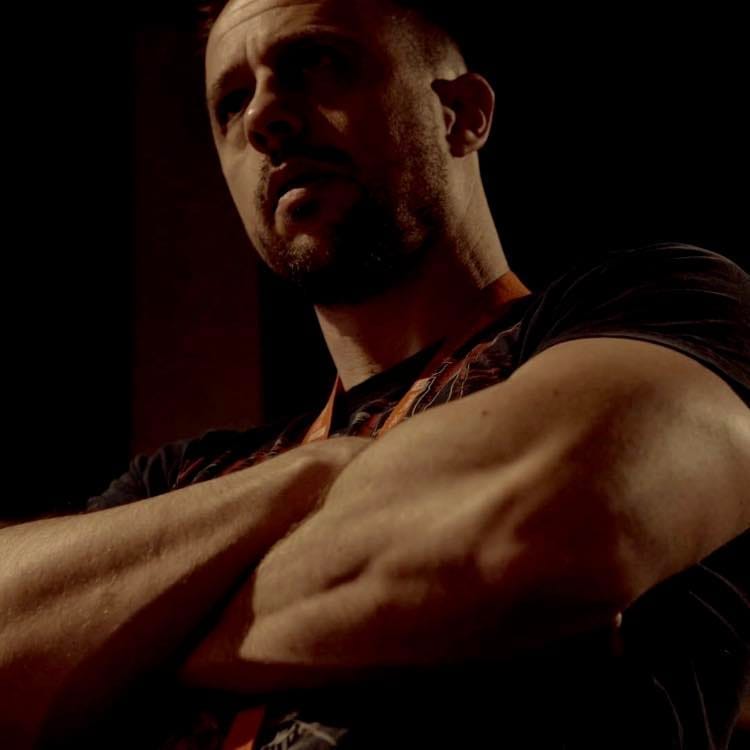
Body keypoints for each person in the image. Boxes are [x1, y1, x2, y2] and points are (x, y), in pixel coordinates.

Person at [1, 0, 748, 747]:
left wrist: (132, 643)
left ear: (461, 115)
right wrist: (311, 474)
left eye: (318, 61)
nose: (263, 117)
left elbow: (536, 531)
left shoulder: (664, 304)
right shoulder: (184, 477)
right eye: (231, 102)